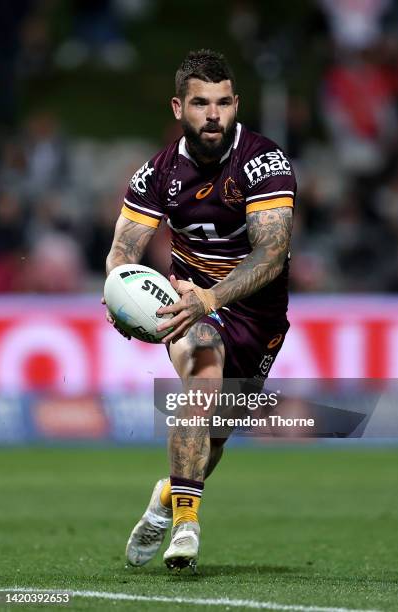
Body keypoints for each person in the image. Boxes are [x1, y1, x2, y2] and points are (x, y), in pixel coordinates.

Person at [103, 49, 296, 571]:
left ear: (236, 104)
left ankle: (167, 496)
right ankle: (187, 525)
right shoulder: (157, 173)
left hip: (258, 316)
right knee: (204, 378)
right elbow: (124, 250)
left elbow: (271, 253)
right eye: (200, 103)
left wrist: (215, 295)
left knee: (212, 440)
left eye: (223, 102)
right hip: (189, 304)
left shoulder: (264, 162)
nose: (213, 114)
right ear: (178, 108)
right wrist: (119, 292)